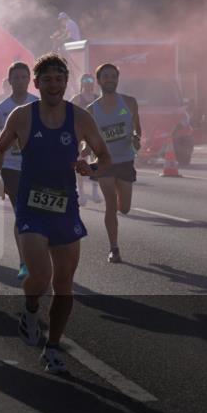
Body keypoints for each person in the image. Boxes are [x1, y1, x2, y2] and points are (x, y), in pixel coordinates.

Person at [0, 53, 110, 373]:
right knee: (39, 277)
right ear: (37, 84)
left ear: (65, 83)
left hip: (65, 207)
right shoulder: (21, 115)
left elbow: (105, 157)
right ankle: (30, 309)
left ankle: (52, 347)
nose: (54, 85)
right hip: (31, 205)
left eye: (59, 79)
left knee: (65, 283)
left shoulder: (81, 118)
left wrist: (91, 167)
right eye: (47, 80)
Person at [0, 61, 38, 280]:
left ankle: (36, 255)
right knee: (22, 210)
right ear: (9, 81)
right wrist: (3, 143)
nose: (19, 81)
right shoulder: (1, 108)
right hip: (11, 167)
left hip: (35, 166)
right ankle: (24, 261)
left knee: (36, 214)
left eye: (23, 77)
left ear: (29, 80)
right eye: (15, 78)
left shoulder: (38, 104)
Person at [89, 63, 141, 264]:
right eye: (106, 76)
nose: (110, 79)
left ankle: (121, 203)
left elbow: (138, 129)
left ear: (117, 79)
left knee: (124, 208)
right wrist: (86, 149)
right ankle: (114, 248)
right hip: (104, 162)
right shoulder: (91, 111)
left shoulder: (130, 102)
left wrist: (136, 138)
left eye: (113, 76)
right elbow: (87, 138)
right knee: (110, 205)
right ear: (99, 81)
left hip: (126, 160)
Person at [71, 74, 103, 205]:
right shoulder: (77, 99)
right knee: (81, 162)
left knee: (96, 162)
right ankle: (81, 192)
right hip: (79, 135)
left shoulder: (98, 99)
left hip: (94, 134)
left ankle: (95, 191)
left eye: (91, 81)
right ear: (82, 83)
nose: (89, 83)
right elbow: (70, 116)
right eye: (86, 80)